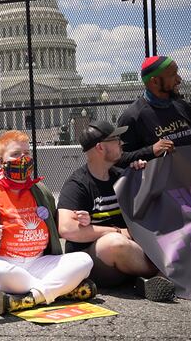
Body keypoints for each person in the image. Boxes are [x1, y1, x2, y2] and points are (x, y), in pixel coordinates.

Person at [0, 130, 95, 315]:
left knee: (84, 260)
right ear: (1, 161)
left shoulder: (41, 191)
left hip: (39, 263)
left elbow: (57, 227)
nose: (23, 158)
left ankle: (33, 297)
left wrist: (80, 220)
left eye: (26, 153)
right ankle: (59, 289)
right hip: (3, 265)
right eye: (15, 154)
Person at [57, 120, 176, 302]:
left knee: (163, 226)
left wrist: (141, 176)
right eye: (116, 139)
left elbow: (148, 212)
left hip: (129, 259)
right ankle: (166, 272)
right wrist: (118, 231)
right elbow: (67, 229)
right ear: (100, 148)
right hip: (95, 264)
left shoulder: (121, 176)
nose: (122, 143)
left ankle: (148, 281)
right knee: (114, 243)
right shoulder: (78, 184)